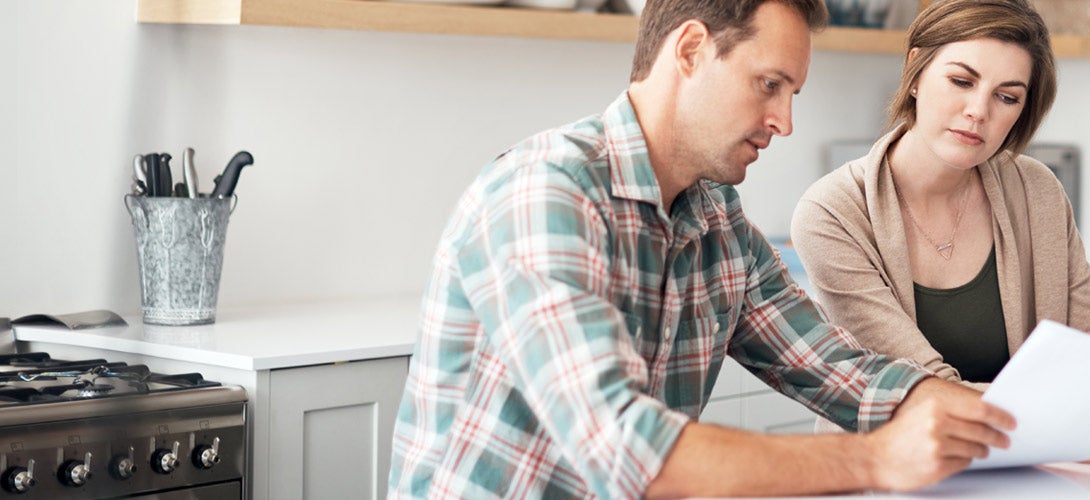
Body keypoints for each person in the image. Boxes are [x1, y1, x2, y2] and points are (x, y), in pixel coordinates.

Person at [387, 1, 1020, 498]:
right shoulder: (545, 192)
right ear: (690, 49)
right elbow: (626, 448)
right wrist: (878, 459)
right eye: (769, 84)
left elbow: (849, 375)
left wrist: (1042, 427)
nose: (784, 121)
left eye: (791, 93)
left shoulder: (717, 221)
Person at [789, 0, 1090, 451]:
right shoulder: (831, 214)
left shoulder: (1036, 189)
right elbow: (928, 393)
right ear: (915, 71)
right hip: (900, 474)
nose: (977, 111)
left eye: (1007, 97)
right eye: (961, 81)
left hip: (1029, 464)